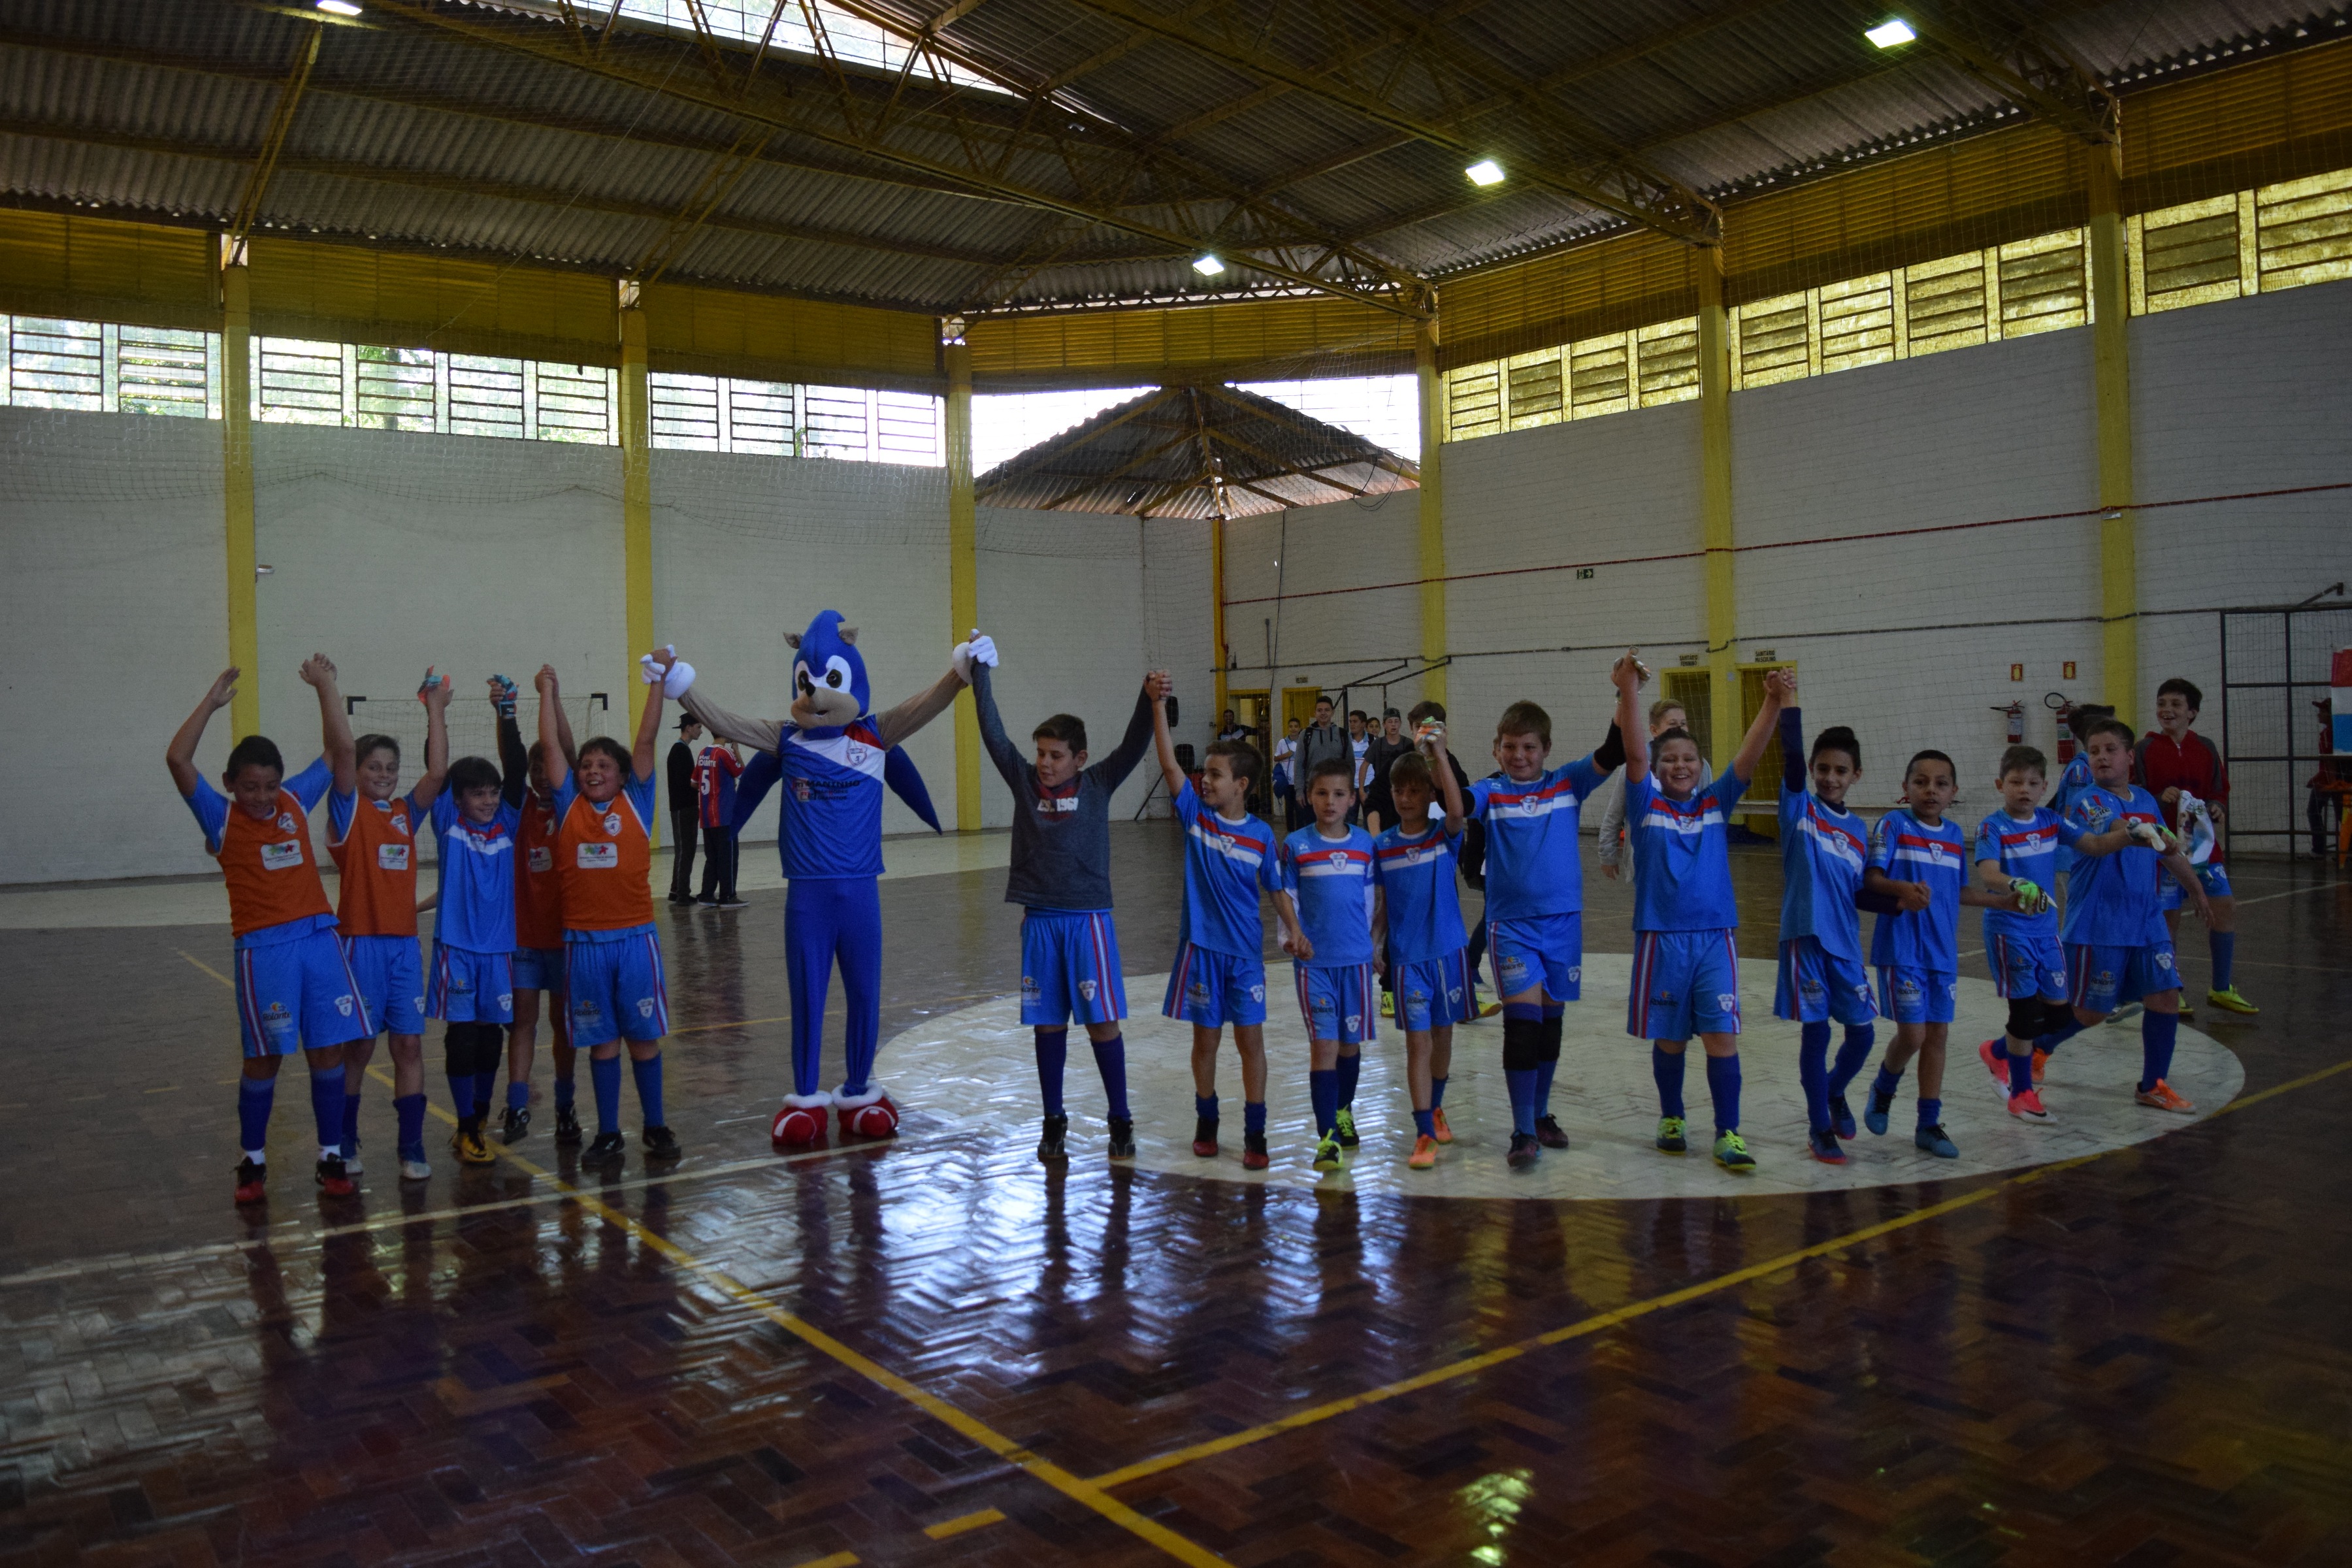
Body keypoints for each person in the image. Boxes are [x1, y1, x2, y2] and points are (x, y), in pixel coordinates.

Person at [167, 657, 372, 1205]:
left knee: (328, 1051)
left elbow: (338, 753)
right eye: (250, 787)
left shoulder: (294, 801)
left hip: (318, 941)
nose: (261, 797)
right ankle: (252, 1162)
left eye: (270, 786)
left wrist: (327, 687)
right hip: (264, 952)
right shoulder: (219, 817)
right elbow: (177, 758)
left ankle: (331, 1155)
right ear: (231, 785)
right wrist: (210, 704)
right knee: (265, 1057)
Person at [970, 656, 1158, 1163]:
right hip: (1040, 922)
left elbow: (1135, 744)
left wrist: (1147, 697)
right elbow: (992, 733)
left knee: (1102, 1025)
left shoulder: (1098, 783)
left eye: (1056, 755)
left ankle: (1120, 1118)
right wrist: (979, 673)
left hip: (1088, 922)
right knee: (1048, 1025)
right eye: (1041, 754)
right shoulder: (1024, 782)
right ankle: (1054, 1119)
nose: (1045, 763)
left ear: (1080, 758)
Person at [1463, 659, 1640, 1168]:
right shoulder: (1490, 791)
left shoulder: (1567, 784)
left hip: (1563, 925)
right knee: (1522, 1023)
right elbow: (1454, 808)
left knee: (1550, 1024)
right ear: (1497, 749)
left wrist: (1624, 691)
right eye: (1510, 747)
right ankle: (1521, 1130)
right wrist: (1433, 755)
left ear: (1546, 750)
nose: (1519, 756)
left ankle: (1540, 1114)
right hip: (1512, 927)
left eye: (1529, 747)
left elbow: (1613, 750)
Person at [1622, 666, 1786, 1174]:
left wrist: (1775, 703)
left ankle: (1727, 1131)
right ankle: (1672, 1118)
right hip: (1662, 941)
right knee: (1670, 1039)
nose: (1680, 765)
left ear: (1701, 764)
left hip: (1716, 939)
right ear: (1655, 765)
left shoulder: (1716, 802)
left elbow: (1751, 752)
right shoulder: (1644, 803)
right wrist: (1627, 690)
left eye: (1689, 758)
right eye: (1668, 759)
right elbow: (1631, 750)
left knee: (1722, 1037)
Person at [537, 668, 680, 1168]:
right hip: (584, 946)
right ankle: (609, 1132)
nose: (593, 771)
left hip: (635, 941)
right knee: (601, 1045)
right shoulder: (568, 804)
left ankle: (656, 1125)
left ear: (623, 774)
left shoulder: (638, 803)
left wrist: (658, 681)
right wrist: (549, 693)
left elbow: (645, 737)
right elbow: (552, 748)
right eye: (587, 765)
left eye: (604, 765)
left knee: (642, 1039)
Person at [2040, 717, 2213, 1112]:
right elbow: (2123, 828)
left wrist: (2196, 888)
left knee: (2166, 997)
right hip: (2101, 922)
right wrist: (2150, 832)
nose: (2101, 758)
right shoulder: (2088, 799)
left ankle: (2152, 1085)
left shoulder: (2146, 799)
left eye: (2109, 750)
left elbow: (2166, 848)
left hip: (2147, 920)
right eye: (2094, 752)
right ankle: (2032, 1049)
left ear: (2129, 757)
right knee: (2091, 1012)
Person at [1853, 750, 2019, 1160]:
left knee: (1938, 1036)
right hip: (1902, 949)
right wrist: (1903, 892)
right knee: (1914, 1034)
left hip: (1941, 953)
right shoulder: (1893, 825)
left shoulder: (1953, 837)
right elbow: (1871, 880)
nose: (1930, 790)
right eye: (1921, 782)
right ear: (1905, 788)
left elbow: (1959, 892)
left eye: (1940, 783)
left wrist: (2003, 901)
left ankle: (1928, 1124)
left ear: (1953, 792)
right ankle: (1884, 1087)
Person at [326, 672, 452, 1182]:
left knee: (408, 1046)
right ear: (355, 772)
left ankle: (412, 1147)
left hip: (403, 948)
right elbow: (336, 751)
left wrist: (436, 708)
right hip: (358, 946)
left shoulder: (404, 813)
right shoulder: (347, 812)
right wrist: (328, 690)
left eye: (390, 768)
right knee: (358, 1049)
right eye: (373, 767)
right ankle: (345, 1140)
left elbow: (438, 774)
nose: (383, 774)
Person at [1970, 742, 2140, 1119]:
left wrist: (2133, 834)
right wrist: (2014, 885)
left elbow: (2094, 844)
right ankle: (2021, 1093)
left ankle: (1997, 1051)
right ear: (2001, 785)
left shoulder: (2050, 821)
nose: (2024, 790)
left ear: (2044, 787)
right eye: (2015, 782)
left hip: (2046, 932)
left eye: (2032, 783)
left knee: (2060, 1017)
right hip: (2009, 930)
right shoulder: (1992, 826)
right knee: (2026, 1014)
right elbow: (1989, 873)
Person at [1153, 683, 1280, 1171]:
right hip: (1202, 950)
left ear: (1241, 785)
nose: (1203, 781)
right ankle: (1207, 1118)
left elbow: (1275, 888)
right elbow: (1168, 766)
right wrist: (1158, 705)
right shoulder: (1196, 818)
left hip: (1246, 956)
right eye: (1203, 773)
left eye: (1214, 774)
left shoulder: (1263, 835)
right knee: (1205, 1041)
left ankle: (1255, 1129)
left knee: (1252, 1042)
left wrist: (1292, 929)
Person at [421, 685, 533, 1168]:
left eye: (491, 793)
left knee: (491, 1039)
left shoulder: (508, 822)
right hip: (457, 950)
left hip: (499, 952)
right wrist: (436, 711)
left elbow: (517, 773)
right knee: (462, 1038)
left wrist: (505, 713)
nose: (488, 800)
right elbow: (438, 770)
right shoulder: (447, 820)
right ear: (459, 798)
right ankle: (465, 1126)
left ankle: (481, 1119)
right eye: (477, 794)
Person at [1771, 700, 1874, 1165]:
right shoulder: (1799, 809)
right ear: (1812, 769)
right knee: (1816, 1036)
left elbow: (1861, 892)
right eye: (1823, 768)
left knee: (1863, 1034)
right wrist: (1786, 704)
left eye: (1841, 770)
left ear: (1857, 775)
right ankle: (1818, 1127)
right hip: (1806, 938)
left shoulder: (1858, 830)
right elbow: (1791, 760)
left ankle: (1833, 1092)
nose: (1831, 777)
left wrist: (1905, 898)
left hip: (1846, 943)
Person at [1272, 757, 1379, 1171]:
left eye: (1338, 794)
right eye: (1321, 793)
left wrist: (1373, 947)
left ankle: (1344, 1111)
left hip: (1355, 963)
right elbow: (1287, 899)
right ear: (1308, 797)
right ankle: (1327, 1139)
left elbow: (1371, 903)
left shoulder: (1365, 845)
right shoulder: (1296, 845)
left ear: (1352, 799)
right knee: (1324, 1047)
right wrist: (1291, 939)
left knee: (1349, 1047)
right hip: (1315, 966)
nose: (1329, 802)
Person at [1371, 742, 1474, 1171]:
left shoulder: (1442, 837)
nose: (1405, 797)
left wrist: (1441, 756)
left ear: (1429, 793)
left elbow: (1457, 810)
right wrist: (1376, 941)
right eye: (1399, 790)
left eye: (1415, 790)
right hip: (1408, 960)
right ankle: (1423, 1132)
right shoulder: (1382, 847)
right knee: (1418, 1043)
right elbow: (1381, 902)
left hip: (1448, 954)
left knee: (1442, 1035)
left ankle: (1436, 1106)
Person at [2136, 678, 2253, 1015]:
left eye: (2175, 704)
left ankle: (2221, 987)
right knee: (2169, 917)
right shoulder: (2145, 749)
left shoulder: (2206, 748)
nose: (2166, 710)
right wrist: (2159, 798)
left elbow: (2219, 790)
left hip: (2203, 847)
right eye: (2161, 703)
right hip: (2164, 848)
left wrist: (2218, 807)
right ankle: (2171, 987)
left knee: (2224, 906)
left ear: (2193, 712)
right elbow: (2135, 794)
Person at [502, 670, 578, 1145]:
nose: (541, 777)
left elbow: (565, 752)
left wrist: (553, 695)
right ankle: (515, 1107)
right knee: (524, 1023)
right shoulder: (516, 811)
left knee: (563, 1026)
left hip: (566, 942)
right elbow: (511, 764)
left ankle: (566, 1107)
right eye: (533, 771)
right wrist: (505, 712)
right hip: (526, 944)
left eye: (545, 768)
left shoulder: (572, 807)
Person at [1409, 698, 1497, 1015]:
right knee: (1409, 923)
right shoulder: (1405, 762)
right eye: (1421, 728)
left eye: (1433, 728)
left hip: (1442, 850)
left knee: (1448, 922)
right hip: (1409, 854)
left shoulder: (1450, 763)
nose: (1427, 734)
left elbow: (1460, 808)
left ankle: (1463, 990)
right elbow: (1379, 800)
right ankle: (1395, 988)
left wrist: (1462, 849)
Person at [1598, 698, 1711, 897]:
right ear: (1654, 730)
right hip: (1648, 861)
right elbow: (1614, 814)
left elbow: (1708, 813)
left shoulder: (1700, 766)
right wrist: (1607, 854)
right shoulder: (1635, 769)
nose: (1680, 729)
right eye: (1672, 724)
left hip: (1687, 857)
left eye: (1683, 723)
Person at [694, 737, 747, 907]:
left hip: (707, 816)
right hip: (724, 815)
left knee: (712, 858)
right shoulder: (724, 753)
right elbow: (742, 773)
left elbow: (694, 782)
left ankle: (707, 894)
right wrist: (737, 750)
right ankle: (728, 896)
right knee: (729, 858)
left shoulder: (703, 753)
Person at [666, 713, 703, 904]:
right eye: (698, 727)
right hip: (683, 808)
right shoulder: (680, 751)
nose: (701, 731)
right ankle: (682, 893)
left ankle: (676, 890)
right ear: (689, 728)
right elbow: (689, 782)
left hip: (684, 807)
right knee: (685, 850)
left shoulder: (682, 750)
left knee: (684, 850)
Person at [1360, 709, 1413, 834]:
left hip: (1402, 791)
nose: (1393, 725)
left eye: (1396, 721)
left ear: (1400, 724)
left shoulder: (1408, 744)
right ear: (1384, 725)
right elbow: (1364, 765)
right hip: (1383, 792)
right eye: (1390, 722)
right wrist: (1362, 790)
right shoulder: (1378, 744)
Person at [1295, 695, 1349, 804]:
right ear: (1315, 713)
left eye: (1327, 710)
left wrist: (1348, 789)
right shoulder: (1305, 735)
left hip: (1337, 791)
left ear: (1333, 712)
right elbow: (1298, 765)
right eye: (1320, 710)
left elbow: (1350, 765)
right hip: (1311, 792)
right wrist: (1299, 790)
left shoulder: (1343, 735)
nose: (1323, 713)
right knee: (1311, 822)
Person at [1271, 719, 1301, 832]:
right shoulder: (1282, 742)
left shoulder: (1302, 742)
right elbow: (1276, 758)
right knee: (1289, 807)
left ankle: (1299, 830)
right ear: (1288, 728)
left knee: (1300, 808)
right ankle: (1290, 831)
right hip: (1287, 781)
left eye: (1296, 726)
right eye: (1291, 726)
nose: (1293, 729)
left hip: (1298, 781)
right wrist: (1286, 755)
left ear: (1299, 728)